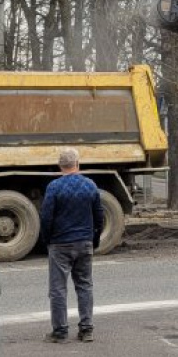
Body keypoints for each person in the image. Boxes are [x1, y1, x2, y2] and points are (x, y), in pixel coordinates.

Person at [40, 147, 104, 343]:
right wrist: (94, 239)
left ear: (60, 166)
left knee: (58, 289)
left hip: (60, 244)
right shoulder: (90, 185)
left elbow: (46, 217)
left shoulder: (54, 187)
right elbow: (99, 216)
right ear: (77, 163)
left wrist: (48, 240)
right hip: (84, 243)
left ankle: (60, 331)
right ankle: (87, 330)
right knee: (85, 285)